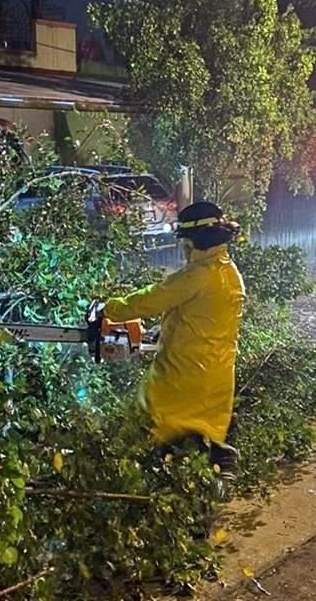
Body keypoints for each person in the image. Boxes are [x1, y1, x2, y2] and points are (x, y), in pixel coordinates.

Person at [101, 202, 246, 478]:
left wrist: (109, 308)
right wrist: (164, 328)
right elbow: (202, 317)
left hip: (184, 374)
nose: (184, 249)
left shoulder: (198, 274)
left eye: (186, 242)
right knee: (195, 433)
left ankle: (139, 472)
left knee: (151, 421)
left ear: (195, 241)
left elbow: (153, 297)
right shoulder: (230, 273)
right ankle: (211, 464)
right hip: (217, 377)